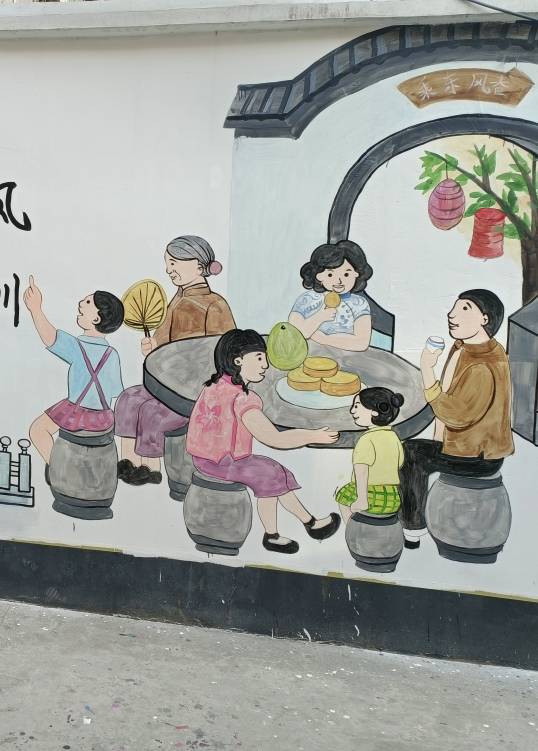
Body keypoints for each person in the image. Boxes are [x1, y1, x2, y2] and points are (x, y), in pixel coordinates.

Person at [185, 329, 341, 555]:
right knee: (270, 473)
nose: (265, 365)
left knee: (272, 472)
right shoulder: (242, 398)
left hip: (205, 458)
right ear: (238, 361)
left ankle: (299, 527)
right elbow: (274, 438)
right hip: (222, 462)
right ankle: (291, 530)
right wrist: (313, 435)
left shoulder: (215, 385)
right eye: (259, 358)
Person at [115, 235, 236, 486]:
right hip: (166, 382)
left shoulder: (216, 305)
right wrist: (154, 345)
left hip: (193, 391)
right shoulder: (177, 299)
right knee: (128, 398)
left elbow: (225, 352)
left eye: (174, 263)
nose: (169, 270)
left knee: (151, 411)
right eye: (167, 263)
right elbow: (163, 337)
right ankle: (128, 462)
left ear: (198, 266)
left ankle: (151, 468)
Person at [400, 289, 514, 549]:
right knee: (418, 451)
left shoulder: (482, 366)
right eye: (455, 307)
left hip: (478, 457)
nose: (452, 315)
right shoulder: (465, 346)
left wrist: (427, 369)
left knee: (411, 454)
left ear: (485, 319)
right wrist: (439, 441)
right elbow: (449, 391)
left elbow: (456, 413)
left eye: (465, 309)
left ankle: (413, 528)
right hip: (464, 447)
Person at [23, 276, 125, 484]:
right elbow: (116, 391)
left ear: (96, 319)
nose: (80, 303)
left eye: (87, 302)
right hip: (104, 417)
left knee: (38, 430)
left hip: (76, 412)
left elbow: (50, 337)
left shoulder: (78, 346)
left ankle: (57, 469)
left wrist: (35, 309)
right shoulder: (112, 354)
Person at [335, 387, 405, 523]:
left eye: (356, 406)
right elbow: (400, 462)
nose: (352, 411)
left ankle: (351, 529)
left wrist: (362, 499)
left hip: (369, 495)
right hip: (393, 496)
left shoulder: (366, 439)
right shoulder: (393, 436)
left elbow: (361, 470)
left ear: (374, 412)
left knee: (343, 495)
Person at [288, 240, 374, 352]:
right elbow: (293, 331)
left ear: (357, 274)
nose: (339, 281)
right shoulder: (308, 299)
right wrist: (320, 316)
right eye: (330, 274)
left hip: (346, 356)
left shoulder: (359, 303)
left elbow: (362, 342)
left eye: (346, 274)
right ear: (318, 276)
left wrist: (324, 339)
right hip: (307, 352)